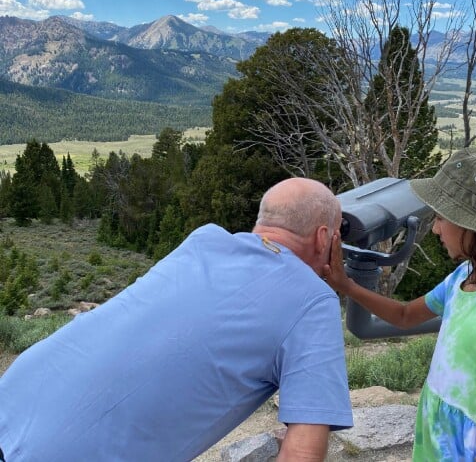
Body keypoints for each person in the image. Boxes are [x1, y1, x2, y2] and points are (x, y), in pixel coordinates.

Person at [0, 178, 353, 461]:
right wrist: (332, 284)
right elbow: (304, 453)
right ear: (325, 237)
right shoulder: (313, 302)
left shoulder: (204, 240)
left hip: (15, 399)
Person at [324, 147, 476, 461]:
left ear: (475, 229)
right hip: (451, 442)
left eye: (441, 218)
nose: (435, 228)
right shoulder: (466, 276)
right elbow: (406, 315)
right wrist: (346, 286)